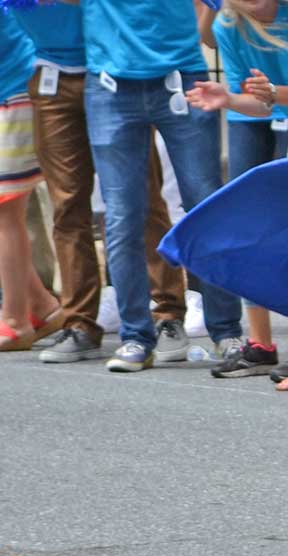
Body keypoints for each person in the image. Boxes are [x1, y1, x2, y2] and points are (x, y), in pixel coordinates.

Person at [12, 1, 191, 364]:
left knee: (142, 196)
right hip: (51, 76)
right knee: (67, 206)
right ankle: (79, 323)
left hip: (118, 70)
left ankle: (168, 314)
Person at [77, 0, 244, 372]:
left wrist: (189, 44)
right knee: (121, 216)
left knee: (206, 207)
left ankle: (227, 330)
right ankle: (136, 336)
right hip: (109, 85)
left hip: (181, 77)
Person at [188, 0, 288, 382]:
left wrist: (275, 92)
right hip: (251, 117)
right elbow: (251, 101)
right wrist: (228, 99)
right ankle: (260, 343)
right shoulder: (226, 24)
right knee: (248, 224)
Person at [0, 18, 63, 352]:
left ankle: (14, 320)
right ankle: (40, 304)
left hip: (10, 91)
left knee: (6, 212)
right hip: (12, 86)